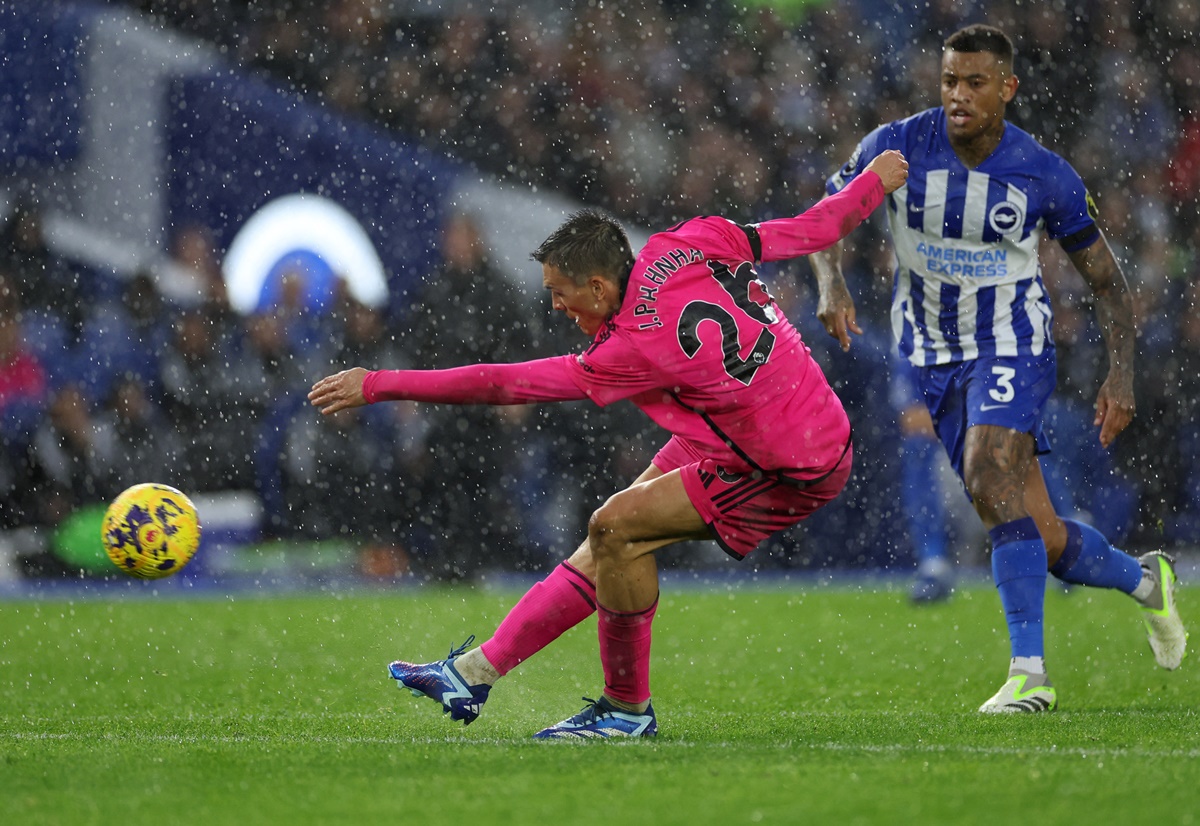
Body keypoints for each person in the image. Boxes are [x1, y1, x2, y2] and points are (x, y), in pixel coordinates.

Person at [308, 148, 909, 738]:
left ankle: (626, 711)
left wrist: (379, 385)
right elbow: (809, 228)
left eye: (559, 292)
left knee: (617, 528)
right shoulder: (687, 240)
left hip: (787, 462)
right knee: (605, 537)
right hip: (777, 422)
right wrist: (872, 185)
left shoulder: (627, 348)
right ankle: (471, 673)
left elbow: (503, 383)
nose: (554, 305)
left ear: (598, 287)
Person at [807, 24, 1186, 713]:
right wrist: (830, 281)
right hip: (928, 354)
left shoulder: (1043, 173)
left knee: (987, 475)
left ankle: (1029, 675)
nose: (959, 95)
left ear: (1006, 89)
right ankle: (1145, 583)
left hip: (1011, 344)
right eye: (950, 80)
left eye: (976, 82)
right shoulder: (895, 146)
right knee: (1038, 531)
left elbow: (1106, 281)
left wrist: (1120, 374)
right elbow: (825, 218)